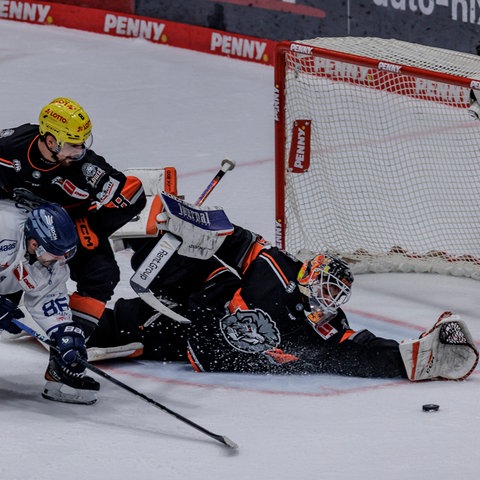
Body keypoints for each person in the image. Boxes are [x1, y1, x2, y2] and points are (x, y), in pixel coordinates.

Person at [88, 193, 479, 381]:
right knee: (203, 265)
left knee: (118, 328)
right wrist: (187, 218)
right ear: (308, 276)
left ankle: (72, 322)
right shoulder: (278, 267)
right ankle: (115, 225)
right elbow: (231, 238)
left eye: (333, 297)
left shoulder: (323, 328)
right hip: (200, 303)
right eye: (324, 289)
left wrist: (411, 359)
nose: (326, 302)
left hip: (193, 343)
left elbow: (358, 353)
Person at [0, 97, 146, 340]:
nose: (80, 151)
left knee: (102, 273)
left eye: (82, 144)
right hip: (12, 215)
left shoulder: (87, 169)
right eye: (73, 145)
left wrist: (95, 227)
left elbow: (132, 196)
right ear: (50, 140)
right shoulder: (9, 146)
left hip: (68, 221)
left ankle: (73, 334)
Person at [0, 199, 100, 404]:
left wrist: (64, 331)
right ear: (34, 243)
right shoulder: (4, 226)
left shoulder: (49, 257)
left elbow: (48, 296)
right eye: (54, 255)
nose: (58, 261)